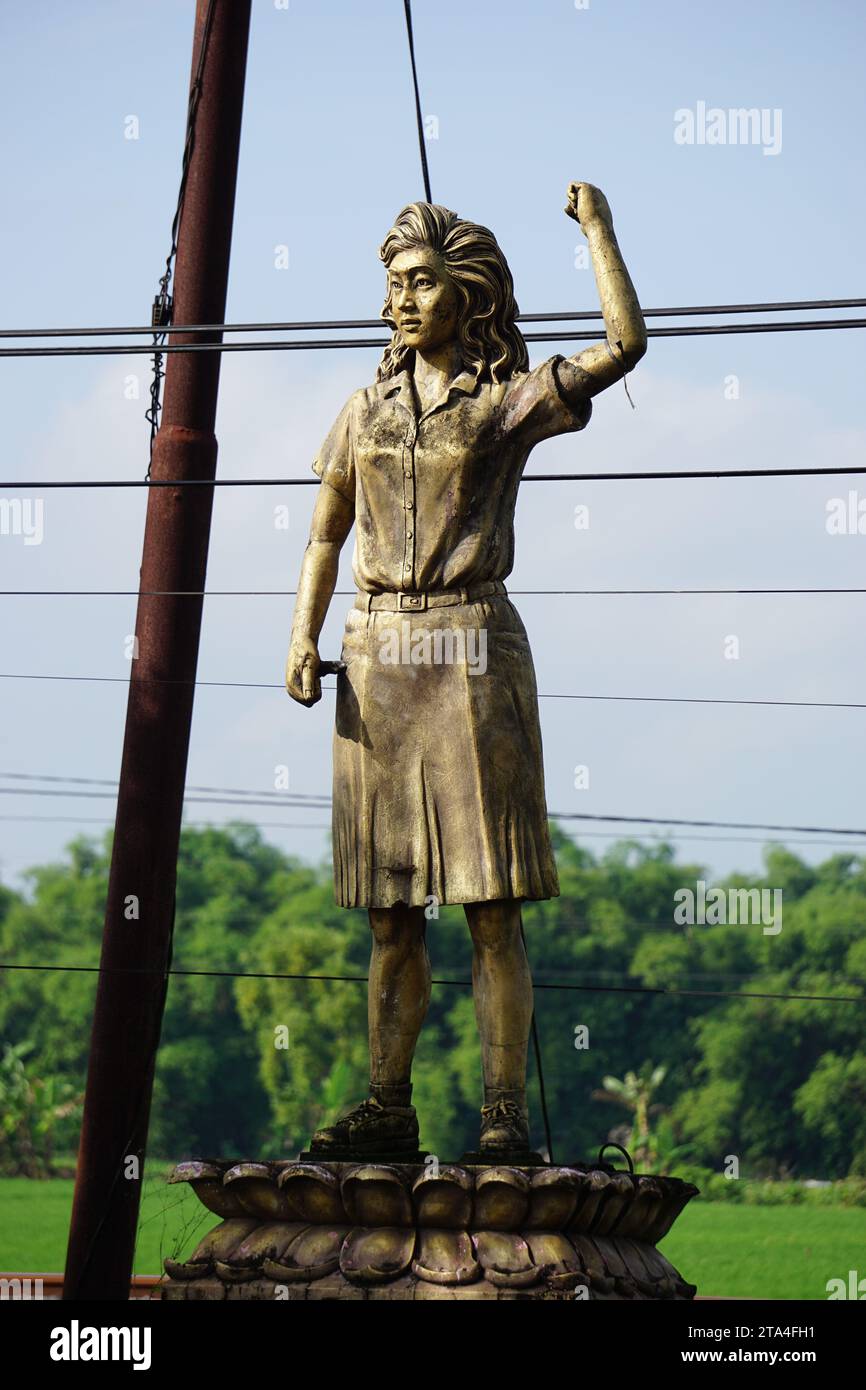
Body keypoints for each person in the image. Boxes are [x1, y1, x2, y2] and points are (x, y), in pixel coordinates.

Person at [285, 182, 646, 1158]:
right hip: (376, 654)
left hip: (471, 647)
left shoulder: (499, 404)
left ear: (468, 297)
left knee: (488, 904)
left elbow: (622, 348)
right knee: (391, 911)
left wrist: (597, 234)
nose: (398, 301)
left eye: (418, 283)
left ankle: (500, 1117)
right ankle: (385, 1106)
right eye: (391, 284)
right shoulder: (359, 410)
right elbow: (324, 533)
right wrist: (298, 635)